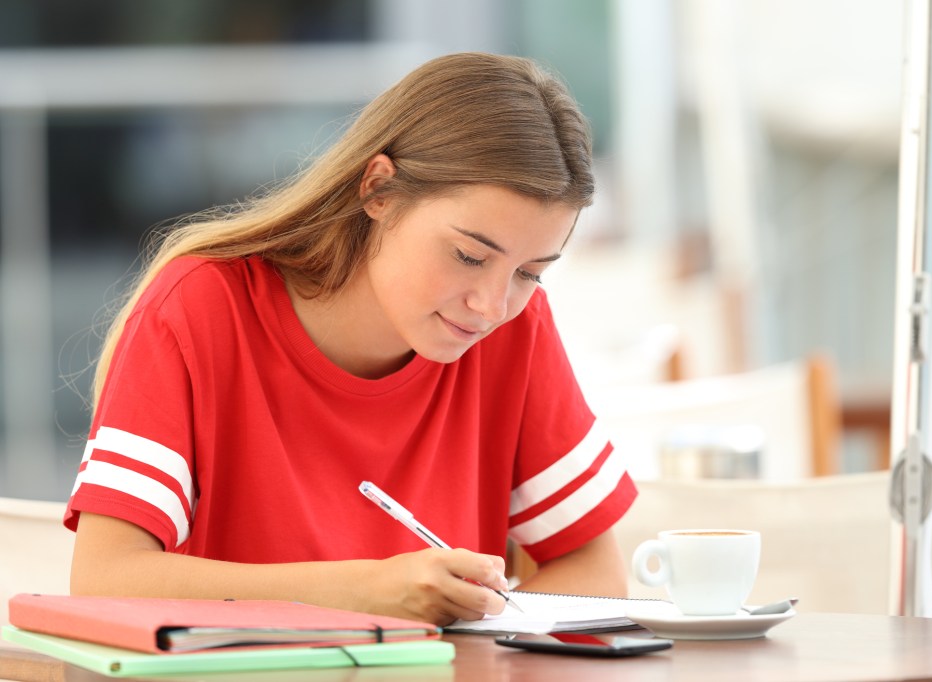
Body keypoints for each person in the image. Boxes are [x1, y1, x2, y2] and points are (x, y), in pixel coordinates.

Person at [65, 52, 637, 626]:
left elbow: (597, 573)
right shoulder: (202, 307)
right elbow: (105, 580)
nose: (491, 305)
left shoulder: (516, 328)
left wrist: (464, 621)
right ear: (379, 190)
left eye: (530, 272)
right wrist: (362, 591)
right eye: (468, 255)